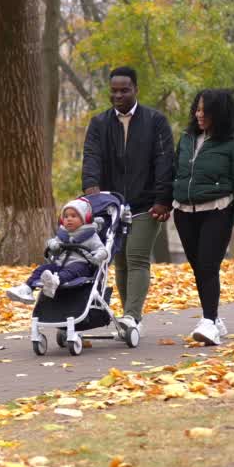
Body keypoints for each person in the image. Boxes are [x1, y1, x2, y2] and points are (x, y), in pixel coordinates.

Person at [81, 66, 174, 335]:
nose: (118, 95)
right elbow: (91, 157)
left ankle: (132, 315)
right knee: (119, 261)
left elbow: (164, 160)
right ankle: (128, 318)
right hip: (112, 205)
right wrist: (91, 189)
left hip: (146, 204)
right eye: (114, 90)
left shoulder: (155, 121)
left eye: (124, 90)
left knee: (137, 257)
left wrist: (163, 199)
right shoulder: (99, 123)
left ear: (136, 90)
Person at [171, 88, 234, 346]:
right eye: (197, 108)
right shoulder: (185, 139)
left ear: (220, 113)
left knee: (207, 266)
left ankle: (208, 323)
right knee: (199, 268)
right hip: (184, 213)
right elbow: (176, 173)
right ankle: (214, 318)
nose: (199, 114)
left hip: (217, 211)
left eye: (205, 110)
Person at [6, 198, 109, 303]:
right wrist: (53, 245)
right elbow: (52, 242)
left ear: (85, 219)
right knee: (42, 269)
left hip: (81, 266)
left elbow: (102, 250)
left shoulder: (90, 235)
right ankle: (27, 289)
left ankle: (54, 281)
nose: (69, 219)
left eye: (73, 216)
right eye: (66, 216)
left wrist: (97, 256)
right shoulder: (62, 234)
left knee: (73, 269)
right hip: (60, 265)